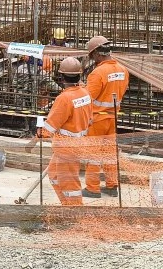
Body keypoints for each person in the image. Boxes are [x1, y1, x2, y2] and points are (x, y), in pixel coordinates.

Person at [40, 56, 92, 206]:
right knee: (54, 175)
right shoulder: (85, 93)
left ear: (61, 77)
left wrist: (39, 133)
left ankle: (74, 213)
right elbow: (90, 119)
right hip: (75, 143)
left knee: (69, 182)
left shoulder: (64, 98)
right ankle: (67, 205)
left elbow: (50, 127)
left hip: (67, 147)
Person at [83, 35, 129, 198]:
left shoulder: (98, 73)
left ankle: (92, 188)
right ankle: (112, 185)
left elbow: (87, 99)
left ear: (97, 54)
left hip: (97, 119)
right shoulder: (123, 70)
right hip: (113, 118)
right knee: (109, 155)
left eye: (92, 56)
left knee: (94, 155)